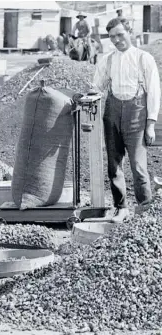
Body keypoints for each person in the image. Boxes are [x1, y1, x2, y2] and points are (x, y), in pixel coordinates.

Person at [93, 18, 160, 223]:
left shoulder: (144, 59)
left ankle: (144, 208)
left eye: (120, 34)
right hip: (112, 115)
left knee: (139, 166)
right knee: (114, 165)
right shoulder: (108, 60)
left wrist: (150, 124)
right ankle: (121, 207)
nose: (116, 40)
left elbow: (154, 93)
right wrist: (87, 93)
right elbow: (97, 87)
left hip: (137, 115)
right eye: (112, 37)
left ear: (129, 32)